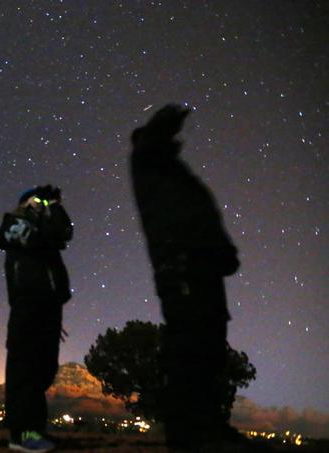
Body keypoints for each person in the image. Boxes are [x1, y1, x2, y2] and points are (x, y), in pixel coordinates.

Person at [130, 104, 244, 450]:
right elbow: (148, 146)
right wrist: (161, 125)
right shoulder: (150, 164)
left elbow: (199, 214)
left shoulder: (171, 172)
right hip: (185, 270)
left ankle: (205, 429)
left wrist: (221, 251)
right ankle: (194, 437)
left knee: (207, 353)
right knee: (191, 352)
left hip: (201, 269)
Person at [0, 185, 73, 453]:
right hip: (28, 307)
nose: (44, 204)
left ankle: (35, 431)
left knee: (43, 372)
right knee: (25, 373)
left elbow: (64, 232)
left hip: (48, 309)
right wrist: (40, 207)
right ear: (25, 204)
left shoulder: (46, 233)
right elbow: (39, 237)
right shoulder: (15, 227)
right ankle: (22, 435)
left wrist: (53, 205)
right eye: (38, 201)